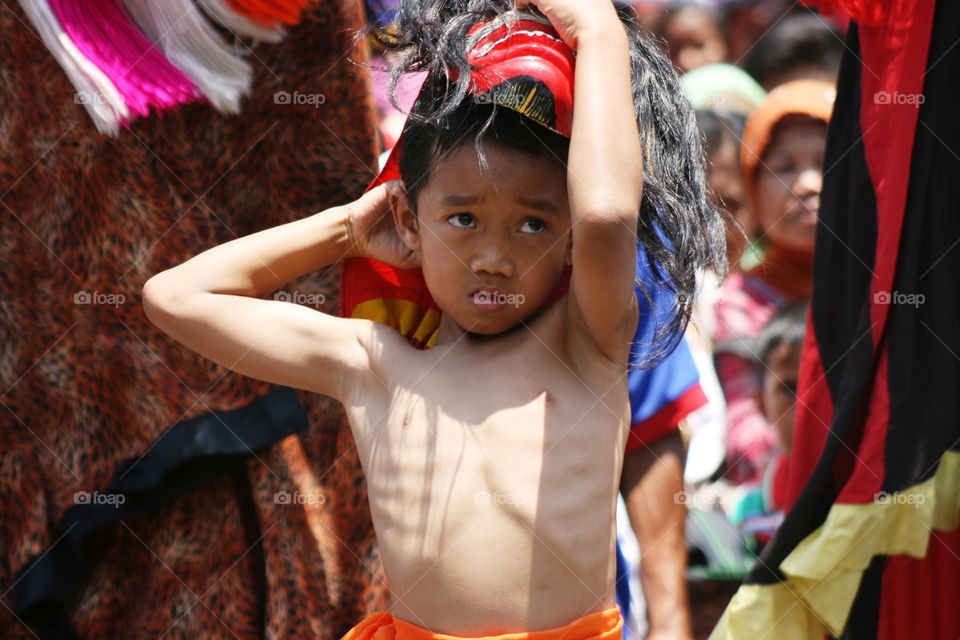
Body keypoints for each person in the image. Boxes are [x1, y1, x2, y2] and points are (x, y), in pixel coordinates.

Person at [143, 0, 726, 637]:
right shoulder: (374, 366)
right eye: (462, 220)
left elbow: (608, 219)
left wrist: (598, 31)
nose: (495, 258)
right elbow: (176, 298)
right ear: (406, 222)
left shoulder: (586, 345)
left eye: (534, 224)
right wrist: (346, 228)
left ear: (567, 242)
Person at [713, 80, 834, 485]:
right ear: (753, 190)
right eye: (784, 168)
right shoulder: (740, 303)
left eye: (826, 160)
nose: (808, 184)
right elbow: (744, 432)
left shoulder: (887, 284)